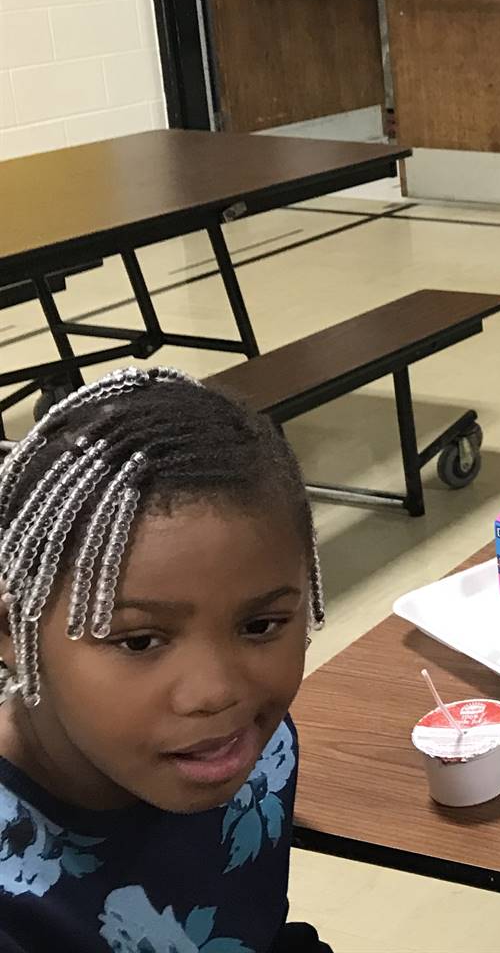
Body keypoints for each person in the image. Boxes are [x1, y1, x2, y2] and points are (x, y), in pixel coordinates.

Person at [0, 369, 331, 953]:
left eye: (260, 626)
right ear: (10, 632)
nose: (216, 693)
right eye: (139, 641)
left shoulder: (256, 754)